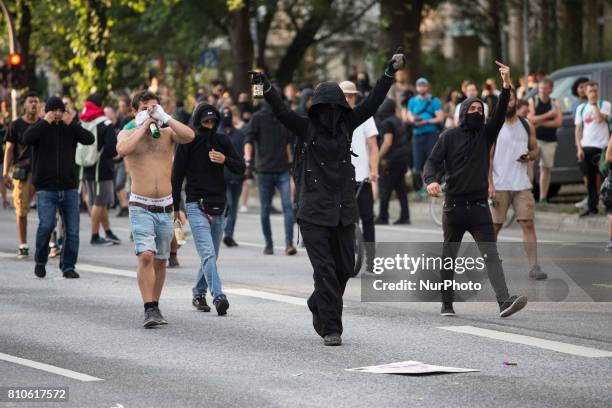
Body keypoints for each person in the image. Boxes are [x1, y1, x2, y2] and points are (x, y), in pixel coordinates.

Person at [251, 48, 406, 346]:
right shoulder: (306, 128)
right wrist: (265, 86)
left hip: (343, 208)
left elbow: (373, 101)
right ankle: (332, 327)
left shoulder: (348, 125)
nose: (332, 113)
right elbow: (281, 111)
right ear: (317, 108)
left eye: (336, 107)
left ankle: (316, 301)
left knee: (346, 267)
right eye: (326, 107)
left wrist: (389, 72)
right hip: (313, 211)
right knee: (324, 270)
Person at [423, 61, 528, 318]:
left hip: (480, 208)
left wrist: (506, 85)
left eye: (480, 108)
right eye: (471, 108)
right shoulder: (448, 136)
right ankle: (446, 303)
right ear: (462, 112)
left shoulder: (486, 134)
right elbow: (431, 163)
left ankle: (504, 302)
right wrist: (430, 181)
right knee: (450, 258)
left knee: (492, 256)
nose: (477, 112)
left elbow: (500, 112)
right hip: (454, 208)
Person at [116, 90, 195, 328]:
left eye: (154, 109)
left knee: (161, 260)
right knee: (146, 255)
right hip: (140, 205)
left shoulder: (167, 133)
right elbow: (122, 150)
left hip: (165, 206)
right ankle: (148, 307)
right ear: (134, 112)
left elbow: (190, 135)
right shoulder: (128, 132)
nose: (150, 113)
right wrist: (142, 125)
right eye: (145, 109)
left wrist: (165, 117)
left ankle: (155, 305)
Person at [172, 103, 245, 315]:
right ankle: (219, 296)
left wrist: (225, 159)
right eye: (205, 121)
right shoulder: (188, 141)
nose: (209, 125)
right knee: (207, 254)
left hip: (219, 205)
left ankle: (198, 293)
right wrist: (176, 206)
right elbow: (176, 176)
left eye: (213, 121)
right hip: (195, 204)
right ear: (197, 121)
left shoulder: (222, 140)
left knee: (212, 255)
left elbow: (240, 167)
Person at [21, 96, 95, 279]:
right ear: (47, 111)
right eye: (54, 110)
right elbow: (26, 138)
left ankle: (68, 266)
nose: (57, 114)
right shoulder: (40, 127)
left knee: (72, 230)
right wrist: (43, 122)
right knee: (46, 225)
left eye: (60, 111)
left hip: (69, 187)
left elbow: (89, 139)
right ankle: (40, 261)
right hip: (46, 188)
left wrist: (73, 124)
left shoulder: (69, 128)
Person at [489, 88, 546, 280]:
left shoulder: (526, 124)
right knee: (495, 227)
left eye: (511, 99)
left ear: (516, 101)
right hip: (499, 184)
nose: (508, 103)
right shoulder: (494, 126)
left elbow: (536, 149)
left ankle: (534, 267)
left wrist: (529, 156)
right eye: (505, 100)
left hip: (521, 184)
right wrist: (489, 184)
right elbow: (487, 158)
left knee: (528, 224)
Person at [244, 88, 297, 256]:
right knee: (268, 208)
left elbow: (291, 140)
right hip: (265, 170)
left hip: (279, 169)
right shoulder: (258, 117)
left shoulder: (283, 116)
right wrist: (247, 160)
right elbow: (249, 140)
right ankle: (270, 243)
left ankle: (287, 244)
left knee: (285, 206)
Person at [340, 80, 379, 272]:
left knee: (368, 218)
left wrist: (374, 170)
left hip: (362, 176)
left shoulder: (365, 117)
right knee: (343, 220)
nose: (348, 99)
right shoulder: (333, 117)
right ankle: (345, 257)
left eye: (351, 95)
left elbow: (373, 146)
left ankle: (371, 259)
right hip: (340, 178)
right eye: (345, 95)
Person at [79, 93, 121, 246]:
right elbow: (112, 148)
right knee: (99, 202)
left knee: (99, 201)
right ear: (100, 104)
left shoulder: (83, 120)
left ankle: (108, 231)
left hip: (86, 167)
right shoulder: (105, 123)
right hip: (101, 169)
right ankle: (95, 236)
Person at [2, 92, 40, 259]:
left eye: (36, 102)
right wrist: (5, 173)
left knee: (48, 208)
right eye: (31, 102)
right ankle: (23, 244)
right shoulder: (15, 125)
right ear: (24, 105)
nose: (33, 105)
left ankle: (51, 243)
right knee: (21, 210)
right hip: (23, 172)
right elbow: (9, 150)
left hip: (42, 171)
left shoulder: (43, 124)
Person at [574, 81, 611, 217]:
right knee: (589, 179)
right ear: (586, 93)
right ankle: (592, 207)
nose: (593, 94)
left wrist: (595, 105)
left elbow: (600, 118)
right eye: (591, 91)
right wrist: (579, 147)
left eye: (595, 91)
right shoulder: (581, 108)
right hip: (586, 147)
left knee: (604, 178)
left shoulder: (604, 105)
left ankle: (606, 204)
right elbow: (578, 130)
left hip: (602, 148)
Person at [406, 77, 444, 196]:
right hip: (417, 136)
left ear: (427, 87)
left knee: (431, 160)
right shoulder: (412, 101)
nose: (422, 87)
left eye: (424, 85)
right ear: (417, 88)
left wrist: (426, 122)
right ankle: (424, 187)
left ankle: (433, 186)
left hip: (431, 134)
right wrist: (414, 120)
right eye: (419, 85)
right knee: (418, 163)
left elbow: (440, 117)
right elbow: (409, 115)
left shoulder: (434, 100)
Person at [377, 99, 411, 225]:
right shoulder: (397, 120)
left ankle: (383, 217)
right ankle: (405, 216)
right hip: (403, 158)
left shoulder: (387, 123)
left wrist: (378, 157)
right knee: (401, 189)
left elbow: (387, 142)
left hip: (392, 160)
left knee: (385, 188)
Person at [528, 78, 562, 204]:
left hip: (550, 140)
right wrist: (548, 116)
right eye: (540, 88)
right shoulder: (533, 101)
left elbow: (559, 122)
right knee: (529, 166)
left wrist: (539, 121)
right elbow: (530, 120)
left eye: (545, 88)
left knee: (545, 169)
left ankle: (543, 198)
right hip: (535, 139)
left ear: (551, 89)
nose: (542, 90)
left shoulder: (555, 102)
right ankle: (528, 195)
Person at [221, 106, 247, 247]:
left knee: (234, 206)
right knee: (229, 205)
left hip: (237, 176)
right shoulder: (218, 134)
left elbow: (244, 154)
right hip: (223, 177)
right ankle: (226, 232)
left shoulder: (240, 134)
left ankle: (229, 234)